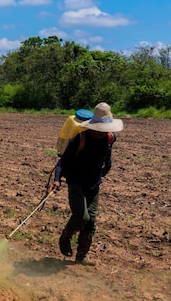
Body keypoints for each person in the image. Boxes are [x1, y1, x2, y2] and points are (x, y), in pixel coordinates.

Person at [49, 102, 123, 265]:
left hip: (94, 184)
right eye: (98, 130)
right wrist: (57, 179)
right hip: (76, 182)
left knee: (91, 221)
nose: (101, 133)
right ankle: (65, 236)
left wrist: (106, 168)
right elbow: (63, 162)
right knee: (81, 216)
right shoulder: (80, 138)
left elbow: (107, 156)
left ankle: (82, 255)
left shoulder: (110, 138)